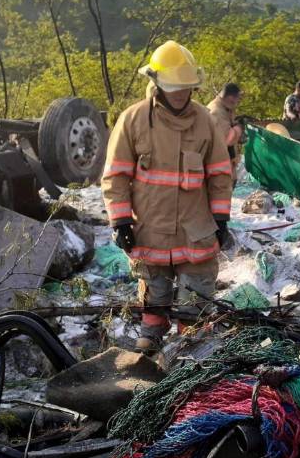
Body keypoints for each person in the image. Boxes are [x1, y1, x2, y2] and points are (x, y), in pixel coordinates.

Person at [101, 40, 233, 353]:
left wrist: (221, 218)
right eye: (175, 89)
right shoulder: (133, 120)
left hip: (196, 229)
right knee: (154, 295)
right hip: (151, 229)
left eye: (185, 89)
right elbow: (116, 175)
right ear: (157, 83)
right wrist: (120, 221)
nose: (181, 96)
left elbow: (219, 174)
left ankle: (190, 352)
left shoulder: (206, 122)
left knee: (196, 302)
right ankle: (150, 343)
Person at [207, 83, 243, 181]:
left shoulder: (225, 108)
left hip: (225, 165)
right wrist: (240, 128)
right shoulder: (217, 111)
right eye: (238, 99)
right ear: (231, 98)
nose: (238, 103)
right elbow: (228, 138)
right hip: (219, 168)